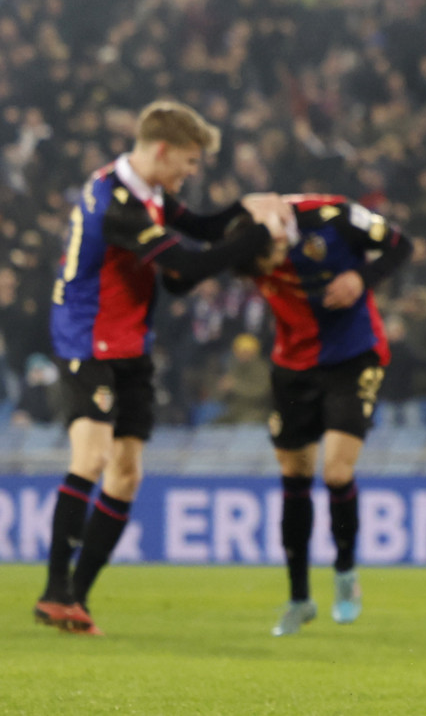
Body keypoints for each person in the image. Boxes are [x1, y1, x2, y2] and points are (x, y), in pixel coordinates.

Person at [36, 100, 289, 636]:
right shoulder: (116, 204)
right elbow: (188, 265)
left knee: (126, 474)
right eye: (191, 162)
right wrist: (259, 235)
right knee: (93, 455)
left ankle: (76, 600)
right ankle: (54, 589)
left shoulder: (149, 193)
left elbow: (198, 229)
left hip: (130, 342)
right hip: (86, 338)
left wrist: (248, 207)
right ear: (162, 150)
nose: (192, 174)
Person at [251, 193, 413, 636]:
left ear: (287, 222)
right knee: (294, 477)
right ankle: (299, 598)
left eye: (281, 245)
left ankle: (345, 574)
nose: (278, 258)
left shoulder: (334, 217)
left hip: (353, 355)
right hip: (291, 365)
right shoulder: (243, 241)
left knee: (337, 472)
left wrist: (361, 277)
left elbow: (402, 243)